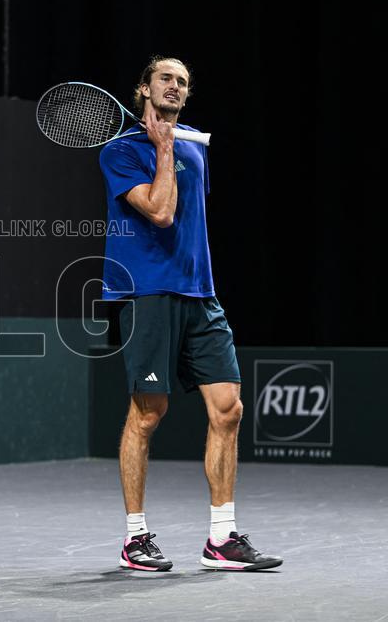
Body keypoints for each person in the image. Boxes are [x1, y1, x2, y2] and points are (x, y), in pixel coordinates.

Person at [99, 57, 282, 571]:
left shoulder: (195, 149)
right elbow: (160, 210)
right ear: (143, 89)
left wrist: (174, 147)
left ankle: (221, 539)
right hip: (147, 294)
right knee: (148, 413)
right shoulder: (119, 152)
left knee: (229, 409)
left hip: (200, 294)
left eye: (183, 82)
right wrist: (161, 148)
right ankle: (136, 539)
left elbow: (191, 220)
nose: (176, 87)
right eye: (166, 79)